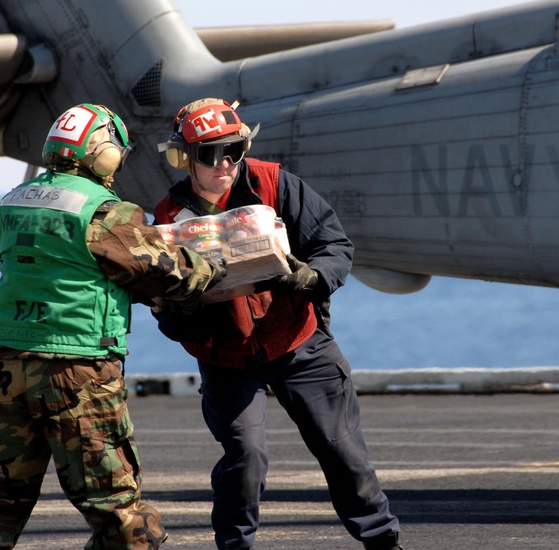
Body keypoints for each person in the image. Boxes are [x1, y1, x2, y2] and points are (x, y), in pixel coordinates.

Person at [0, 103, 223, 550]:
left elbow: (65, 266)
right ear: (102, 153)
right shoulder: (103, 211)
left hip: (3, 369)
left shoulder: (13, 200)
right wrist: (211, 267)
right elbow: (166, 270)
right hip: (78, 374)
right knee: (123, 518)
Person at [151, 98, 404, 550]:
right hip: (226, 356)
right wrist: (179, 306)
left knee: (343, 452)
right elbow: (170, 320)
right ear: (185, 158)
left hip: (299, 342)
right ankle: (235, 546)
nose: (226, 163)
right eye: (212, 154)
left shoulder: (274, 183)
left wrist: (312, 277)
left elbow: (334, 244)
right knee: (245, 456)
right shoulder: (170, 219)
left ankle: (383, 541)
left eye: (236, 150)